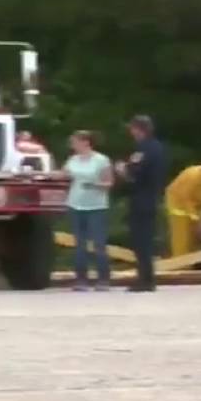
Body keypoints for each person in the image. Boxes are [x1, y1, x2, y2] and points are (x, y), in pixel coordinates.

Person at [114, 115, 166, 292]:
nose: (131, 132)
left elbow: (135, 174)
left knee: (141, 240)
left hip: (141, 198)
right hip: (152, 197)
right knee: (146, 239)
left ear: (139, 129)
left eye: (133, 128)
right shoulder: (158, 147)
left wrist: (122, 169)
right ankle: (146, 277)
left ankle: (145, 280)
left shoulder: (144, 149)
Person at [63, 130, 113, 291]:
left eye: (75, 142)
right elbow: (63, 175)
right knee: (79, 244)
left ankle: (103, 279)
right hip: (76, 204)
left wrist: (94, 185)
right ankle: (81, 280)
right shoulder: (72, 160)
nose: (73, 145)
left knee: (99, 244)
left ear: (86, 142)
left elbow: (109, 183)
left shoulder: (101, 160)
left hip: (96, 206)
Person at [165, 160, 201, 257]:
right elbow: (186, 198)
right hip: (179, 204)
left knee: (193, 241)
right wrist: (196, 219)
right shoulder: (193, 176)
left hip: (198, 204)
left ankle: (191, 264)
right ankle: (180, 266)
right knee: (182, 240)